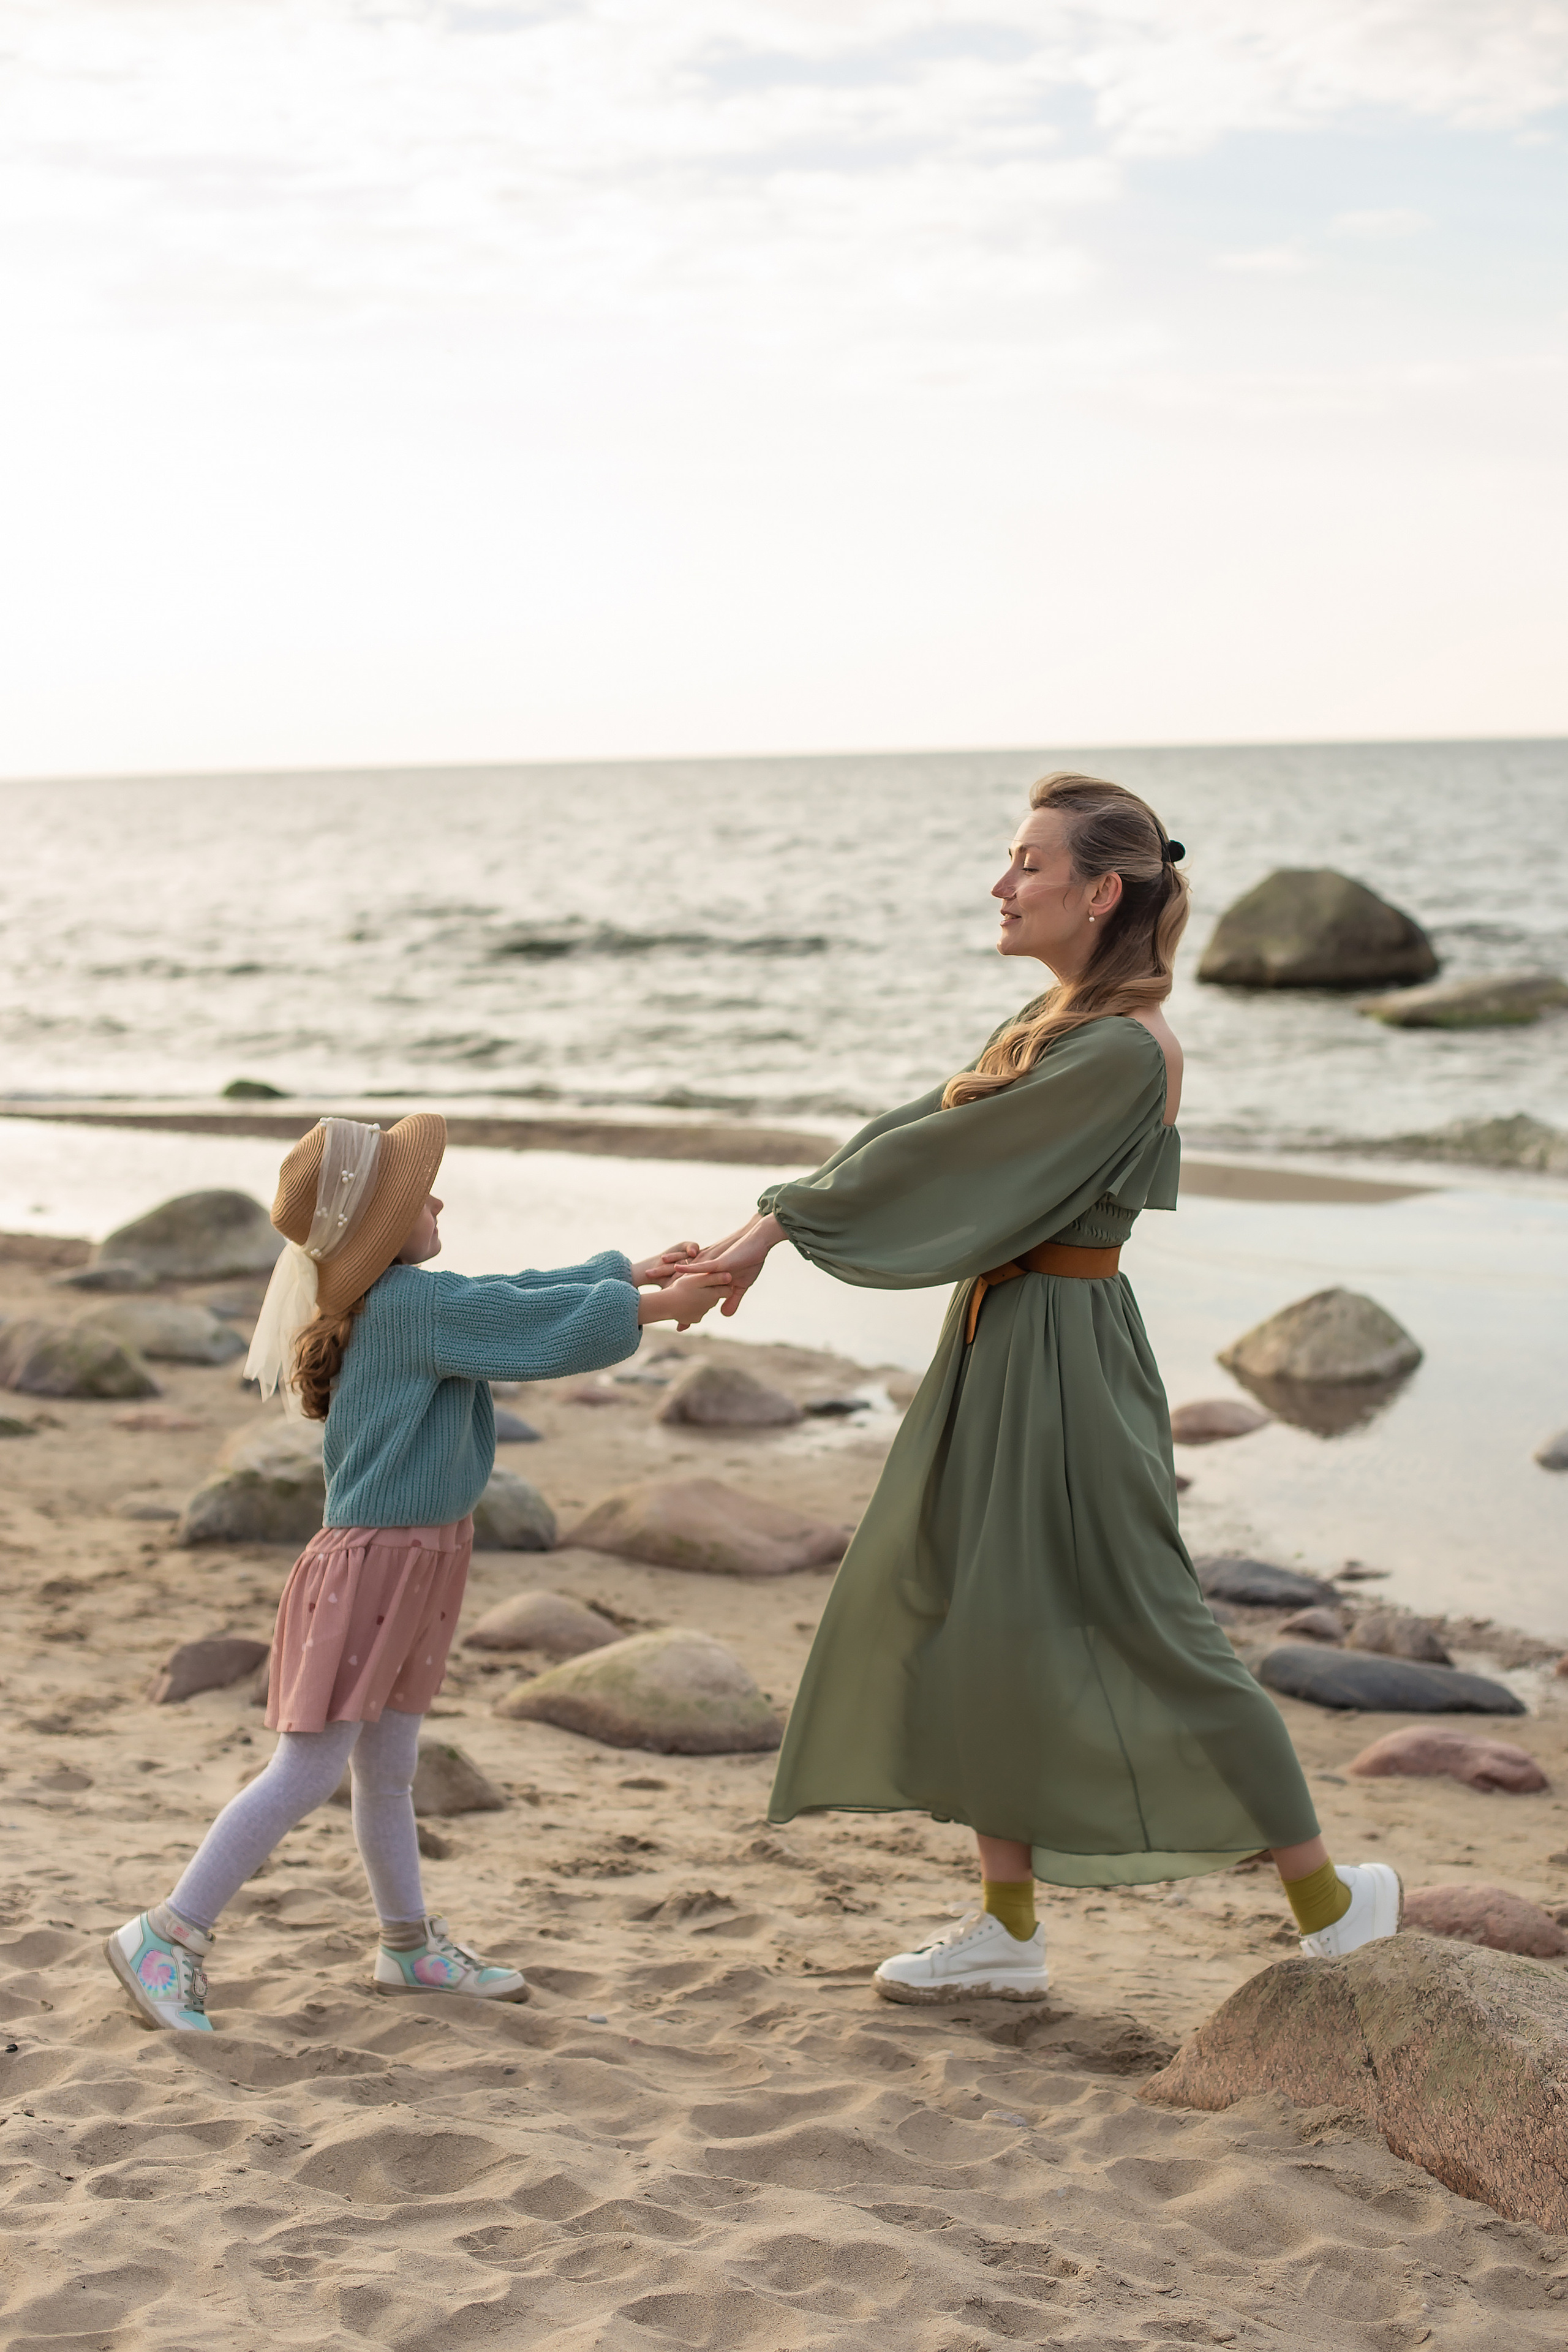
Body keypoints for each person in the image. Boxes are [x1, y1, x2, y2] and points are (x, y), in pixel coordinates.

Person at [686, 772, 1400, 2004]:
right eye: (1007, 861)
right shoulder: (1050, 1026)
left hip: (1065, 1353)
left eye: (1025, 863)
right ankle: (1005, 1930)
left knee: (1149, 1621)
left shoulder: (1119, 1051)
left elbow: (949, 1157)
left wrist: (776, 1228)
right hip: (998, 1338)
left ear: (1099, 889)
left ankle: (1330, 1904)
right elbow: (909, 1125)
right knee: (979, 1619)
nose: (1000, 883)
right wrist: (765, 1223)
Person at [105, 1112, 729, 2032]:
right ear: (374, 1230)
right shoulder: (410, 1309)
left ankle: (408, 1947)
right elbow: (531, 1329)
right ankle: (168, 1934)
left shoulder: (407, 1302)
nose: (434, 1198)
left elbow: (509, 1294)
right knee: (307, 1769)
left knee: (389, 1768)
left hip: (420, 1559)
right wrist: (650, 1309)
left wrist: (622, 1273)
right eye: (412, 1195)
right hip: (377, 1567)